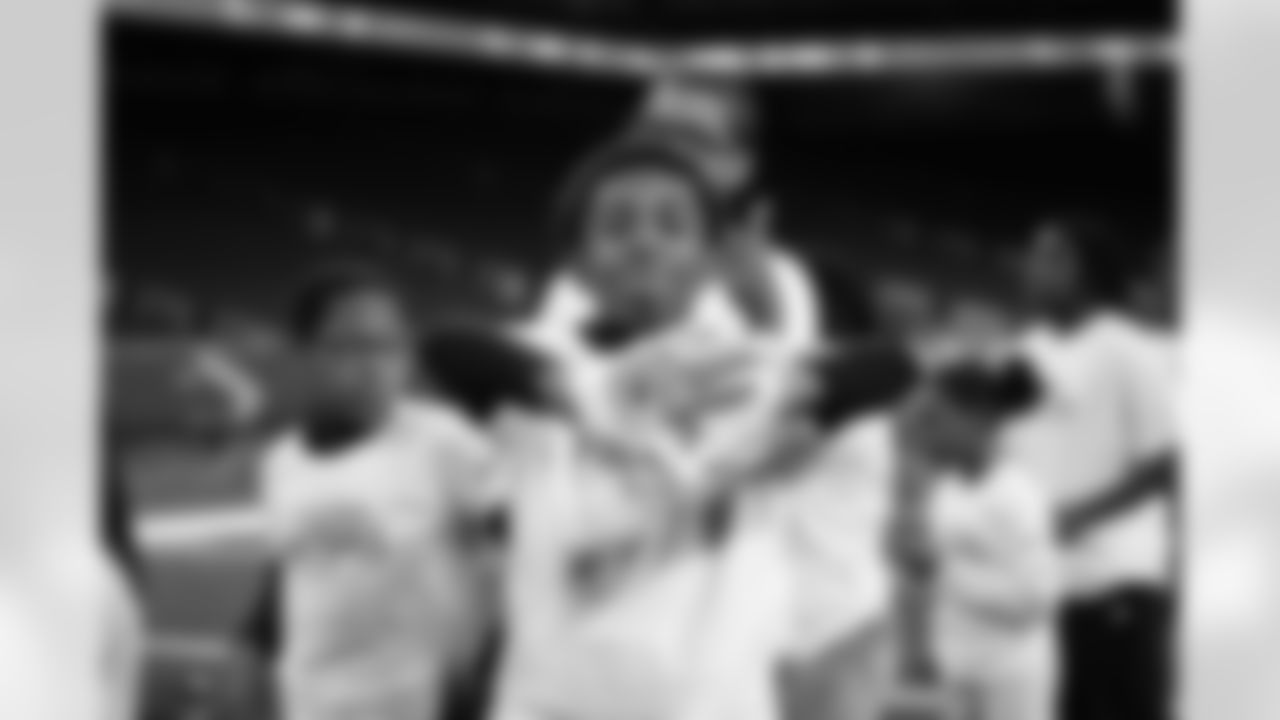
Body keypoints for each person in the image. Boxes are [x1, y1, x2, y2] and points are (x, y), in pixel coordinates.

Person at [139, 265, 494, 720]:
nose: (375, 362)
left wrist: (480, 677)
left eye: (389, 344)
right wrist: (252, 645)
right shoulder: (284, 462)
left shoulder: (444, 441)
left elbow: (512, 558)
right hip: (314, 700)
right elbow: (292, 569)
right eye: (352, 345)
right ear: (305, 353)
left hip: (416, 702)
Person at [1010, 220, 1178, 720]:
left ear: (1088, 274)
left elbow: (1166, 461)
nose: (1032, 268)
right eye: (1032, 255)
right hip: (1043, 586)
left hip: (1116, 581)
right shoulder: (1024, 353)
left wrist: (1080, 514)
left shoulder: (1131, 350)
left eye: (1051, 257)